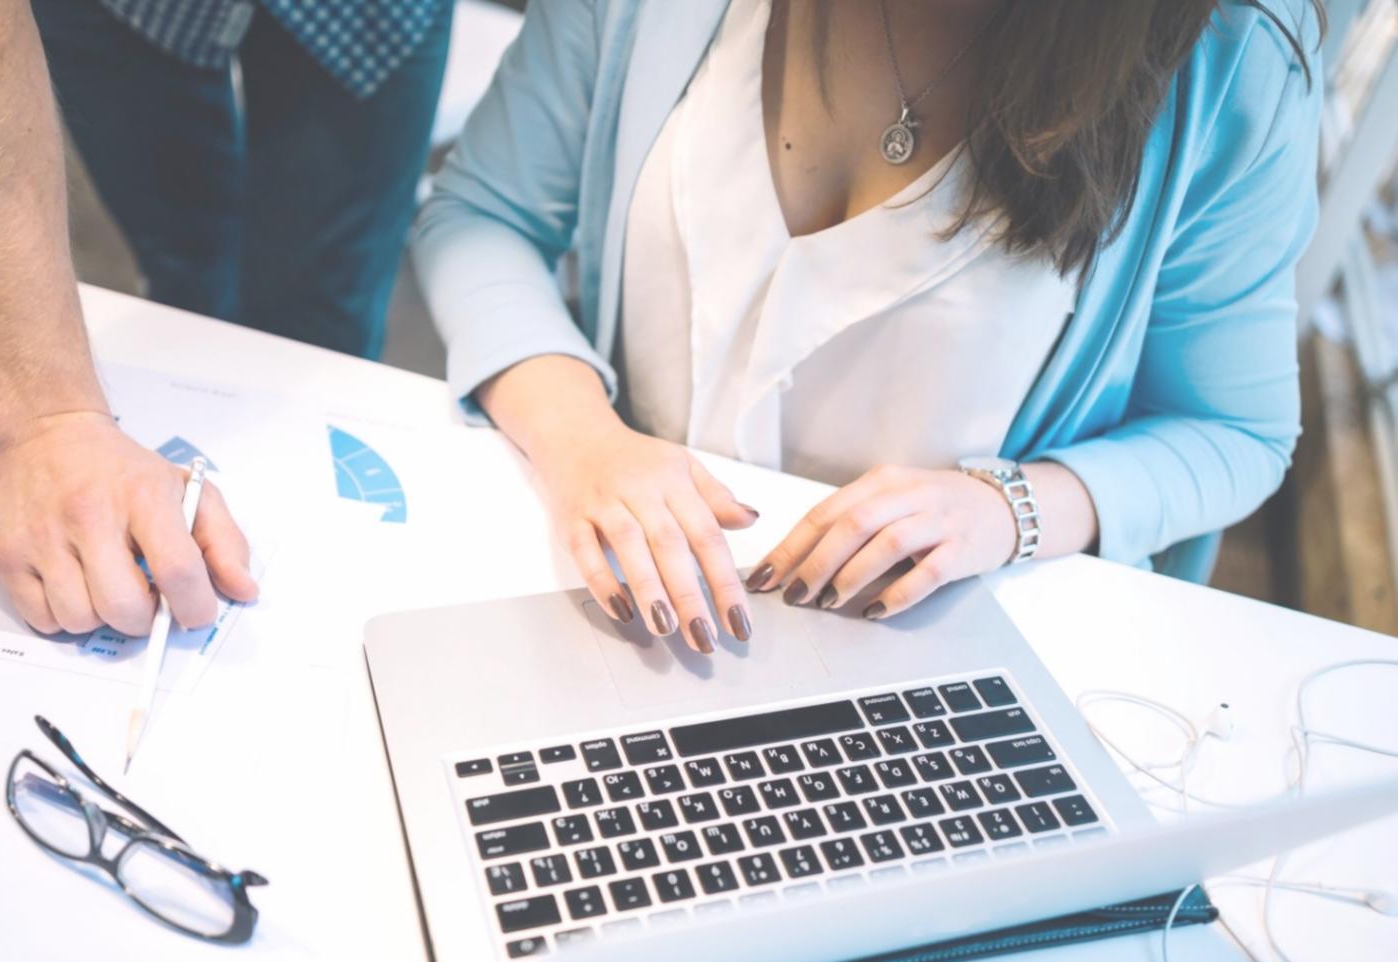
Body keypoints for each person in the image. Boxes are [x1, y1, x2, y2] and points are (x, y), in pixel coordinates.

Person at [414, 0, 1323, 655]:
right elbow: (482, 213)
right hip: (620, 598)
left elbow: (1232, 432)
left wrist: (1009, 509)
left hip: (936, 652)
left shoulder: (1231, 59)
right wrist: (583, 442)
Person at [0, 0, 450, 637]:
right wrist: (46, 423)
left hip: (371, 16)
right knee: (184, 270)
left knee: (324, 317)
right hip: (129, 14)